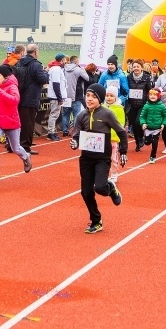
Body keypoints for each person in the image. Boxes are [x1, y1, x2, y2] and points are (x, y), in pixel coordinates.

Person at [70, 83, 126, 234]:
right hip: (86, 158)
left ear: (100, 99)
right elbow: (76, 135)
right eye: (87, 96)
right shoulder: (81, 115)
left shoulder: (107, 114)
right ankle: (96, 221)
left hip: (102, 158)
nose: (89, 99)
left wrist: (124, 152)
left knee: (100, 188)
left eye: (93, 97)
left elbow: (121, 132)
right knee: (86, 192)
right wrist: (74, 143)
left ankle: (111, 188)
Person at [0, 64, 32, 180]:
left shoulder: (12, 87)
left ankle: (26, 157)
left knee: (16, 148)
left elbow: (14, 101)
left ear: (5, 77)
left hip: (12, 122)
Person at [17, 44, 50, 154]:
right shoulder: (36, 65)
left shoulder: (19, 62)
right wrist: (46, 72)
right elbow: (43, 79)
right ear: (35, 52)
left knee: (17, 122)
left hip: (18, 95)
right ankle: (25, 146)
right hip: (30, 97)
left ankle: (13, 143)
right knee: (28, 123)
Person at [126, 58, 153, 152]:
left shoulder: (146, 77)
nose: (136, 68)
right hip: (132, 104)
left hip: (142, 104)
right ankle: (138, 142)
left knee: (138, 122)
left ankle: (141, 137)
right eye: (134, 67)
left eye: (138, 67)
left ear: (142, 68)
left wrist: (151, 101)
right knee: (133, 124)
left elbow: (150, 90)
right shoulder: (129, 77)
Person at [140, 87, 166, 163]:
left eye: (155, 95)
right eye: (151, 95)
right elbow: (142, 116)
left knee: (155, 143)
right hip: (148, 128)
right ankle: (145, 139)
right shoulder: (146, 106)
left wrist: (163, 124)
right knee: (147, 142)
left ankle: (152, 157)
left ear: (158, 96)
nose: (152, 96)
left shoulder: (162, 106)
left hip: (157, 128)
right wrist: (143, 123)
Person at [103, 86, 126, 184]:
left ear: (116, 97)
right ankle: (103, 175)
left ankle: (114, 174)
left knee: (113, 157)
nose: (109, 98)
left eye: (111, 96)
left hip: (113, 138)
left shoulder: (119, 109)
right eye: (107, 95)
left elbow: (120, 124)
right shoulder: (101, 107)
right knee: (102, 158)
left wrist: (114, 135)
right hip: (102, 138)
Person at [46, 53, 67, 141]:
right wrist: (59, 97)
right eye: (65, 59)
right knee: (54, 114)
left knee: (55, 114)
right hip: (55, 96)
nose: (66, 61)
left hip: (56, 95)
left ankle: (52, 132)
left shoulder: (56, 68)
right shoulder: (56, 69)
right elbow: (56, 84)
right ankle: (50, 133)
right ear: (61, 60)